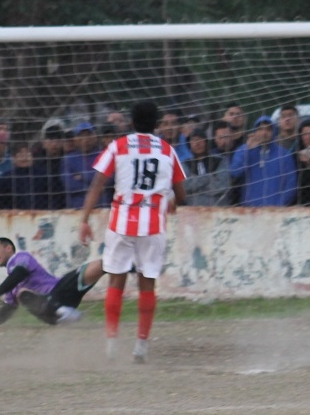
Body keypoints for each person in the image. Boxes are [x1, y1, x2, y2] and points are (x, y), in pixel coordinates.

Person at [78, 101, 187, 364]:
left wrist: (84, 219)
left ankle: (112, 345)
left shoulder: (118, 146)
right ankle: (141, 347)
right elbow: (181, 195)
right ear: (157, 124)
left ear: (130, 122)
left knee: (116, 280)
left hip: (122, 222)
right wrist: (170, 201)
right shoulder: (168, 150)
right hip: (153, 225)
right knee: (147, 282)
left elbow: (97, 183)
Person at [0, 237, 105, 327]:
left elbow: (19, 273)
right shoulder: (12, 285)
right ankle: (62, 312)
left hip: (59, 291)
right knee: (21, 293)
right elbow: (8, 309)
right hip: (52, 314)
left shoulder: (21, 257)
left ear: (8, 248)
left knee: (100, 265)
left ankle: (120, 266)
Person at [229, 116, 298, 206]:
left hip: (275, 210)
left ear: (274, 132)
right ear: (255, 131)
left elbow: (291, 184)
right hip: (249, 209)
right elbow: (235, 172)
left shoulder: (284, 154)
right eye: (260, 129)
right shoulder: (243, 150)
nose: (264, 133)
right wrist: (247, 150)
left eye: (268, 129)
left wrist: (279, 205)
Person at [63, 121, 109, 209]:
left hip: (101, 206)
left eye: (88, 135)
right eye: (81, 136)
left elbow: (109, 179)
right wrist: (96, 187)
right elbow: (69, 184)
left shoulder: (104, 155)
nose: (85, 140)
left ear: (94, 137)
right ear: (76, 139)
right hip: (77, 207)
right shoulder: (68, 159)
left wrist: (82, 176)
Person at [182, 127, 231, 206]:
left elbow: (223, 186)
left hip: (218, 208)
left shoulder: (220, 160)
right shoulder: (185, 164)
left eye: (200, 140)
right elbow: (185, 186)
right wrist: (209, 177)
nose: (197, 143)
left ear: (206, 142)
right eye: (194, 140)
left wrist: (196, 189)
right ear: (189, 144)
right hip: (193, 209)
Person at [0, 142, 50, 210]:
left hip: (41, 213)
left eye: (27, 154)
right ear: (14, 158)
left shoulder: (43, 175)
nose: (24, 158)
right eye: (20, 155)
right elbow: (1, 202)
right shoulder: (6, 178)